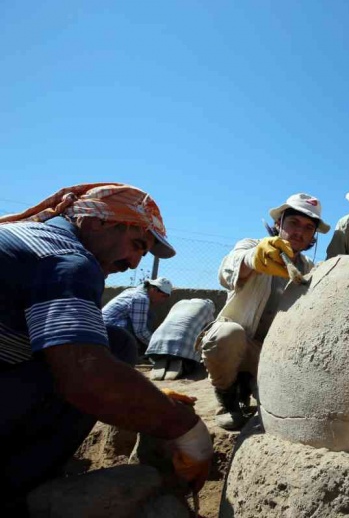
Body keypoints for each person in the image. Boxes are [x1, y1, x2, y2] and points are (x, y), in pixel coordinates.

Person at [0, 183, 212, 514]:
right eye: (137, 244)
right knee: (117, 346)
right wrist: (185, 429)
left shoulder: (28, 238)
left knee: (112, 344)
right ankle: (15, 493)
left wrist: (140, 393)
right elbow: (85, 375)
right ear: (98, 222)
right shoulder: (66, 259)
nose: (133, 261)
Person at [198, 193, 330, 430]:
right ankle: (228, 401)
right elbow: (228, 270)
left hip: (272, 353)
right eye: (293, 223)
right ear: (279, 224)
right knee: (226, 335)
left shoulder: (310, 269)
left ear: (313, 236)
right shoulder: (253, 247)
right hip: (239, 342)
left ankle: (249, 384)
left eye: (308, 227)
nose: (299, 231)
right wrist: (253, 259)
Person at [146, 298, 216, 380]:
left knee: (165, 353)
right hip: (181, 344)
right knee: (193, 363)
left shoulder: (179, 303)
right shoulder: (207, 307)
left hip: (157, 340)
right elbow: (210, 330)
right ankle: (183, 365)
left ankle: (162, 360)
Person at [102, 277, 173, 355]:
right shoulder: (141, 298)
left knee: (150, 315)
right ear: (154, 290)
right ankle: (128, 351)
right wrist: (157, 347)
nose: (164, 300)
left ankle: (136, 349)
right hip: (107, 331)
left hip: (105, 327)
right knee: (147, 319)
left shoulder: (134, 291)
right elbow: (140, 331)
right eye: (163, 296)